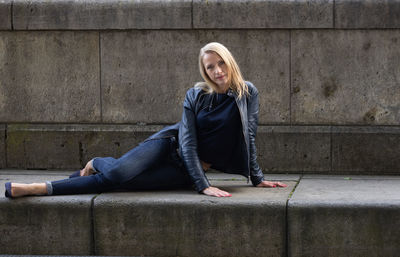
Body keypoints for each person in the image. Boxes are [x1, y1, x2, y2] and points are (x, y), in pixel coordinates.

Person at [4, 42, 287, 198]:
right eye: (209, 67)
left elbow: (248, 135)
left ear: (229, 61)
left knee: (122, 185)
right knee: (115, 174)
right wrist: (203, 185)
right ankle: (46, 185)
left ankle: (79, 174)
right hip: (168, 146)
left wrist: (257, 178)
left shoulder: (247, 93)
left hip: (188, 170)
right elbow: (187, 141)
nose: (216, 70)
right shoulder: (195, 95)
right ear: (205, 72)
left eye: (220, 63)